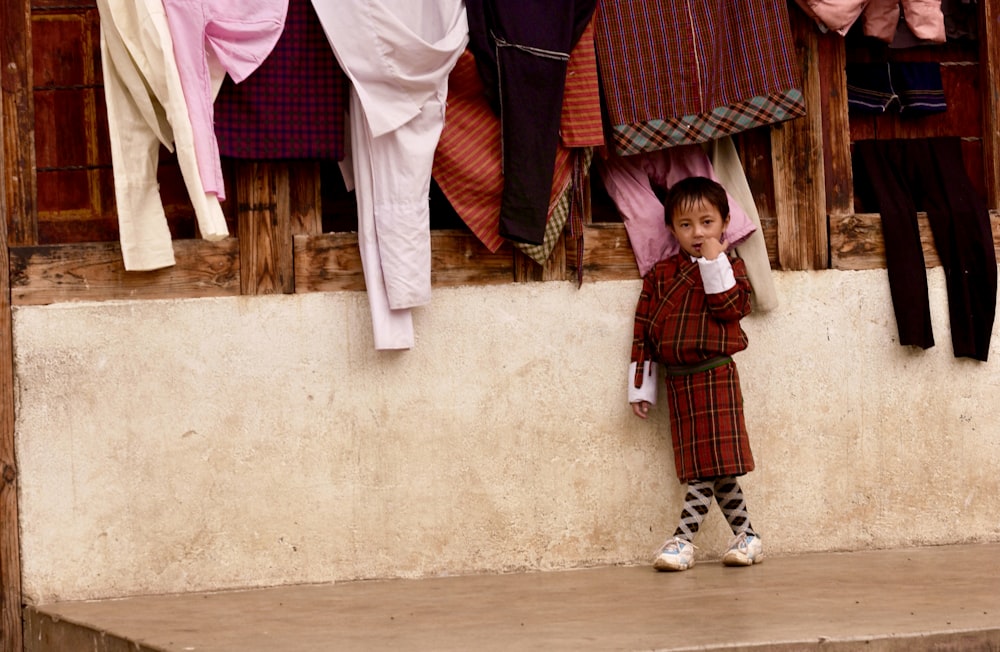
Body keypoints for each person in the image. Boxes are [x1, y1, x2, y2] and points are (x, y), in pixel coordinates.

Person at [628, 175, 762, 572]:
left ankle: (682, 541)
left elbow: (728, 309)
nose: (697, 233)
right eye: (685, 225)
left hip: (716, 375)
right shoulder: (660, 275)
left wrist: (714, 262)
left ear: (724, 223)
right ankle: (748, 536)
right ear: (671, 229)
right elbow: (643, 331)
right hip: (679, 381)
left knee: (707, 467)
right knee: (710, 465)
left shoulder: (731, 268)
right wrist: (641, 388)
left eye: (707, 222)